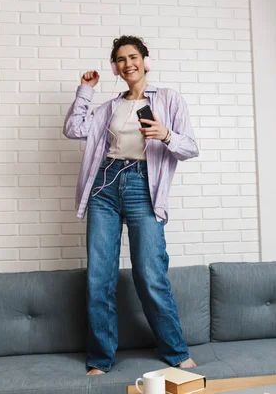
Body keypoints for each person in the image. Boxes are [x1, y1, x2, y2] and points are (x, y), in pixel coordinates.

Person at [63, 35, 199, 375]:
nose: (128, 64)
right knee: (99, 276)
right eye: (121, 59)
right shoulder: (108, 107)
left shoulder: (168, 99)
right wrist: (85, 91)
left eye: (133, 56)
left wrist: (166, 135)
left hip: (143, 187)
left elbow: (190, 147)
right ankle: (100, 358)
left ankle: (175, 351)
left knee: (150, 274)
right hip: (104, 188)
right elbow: (73, 128)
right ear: (115, 67)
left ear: (146, 61)